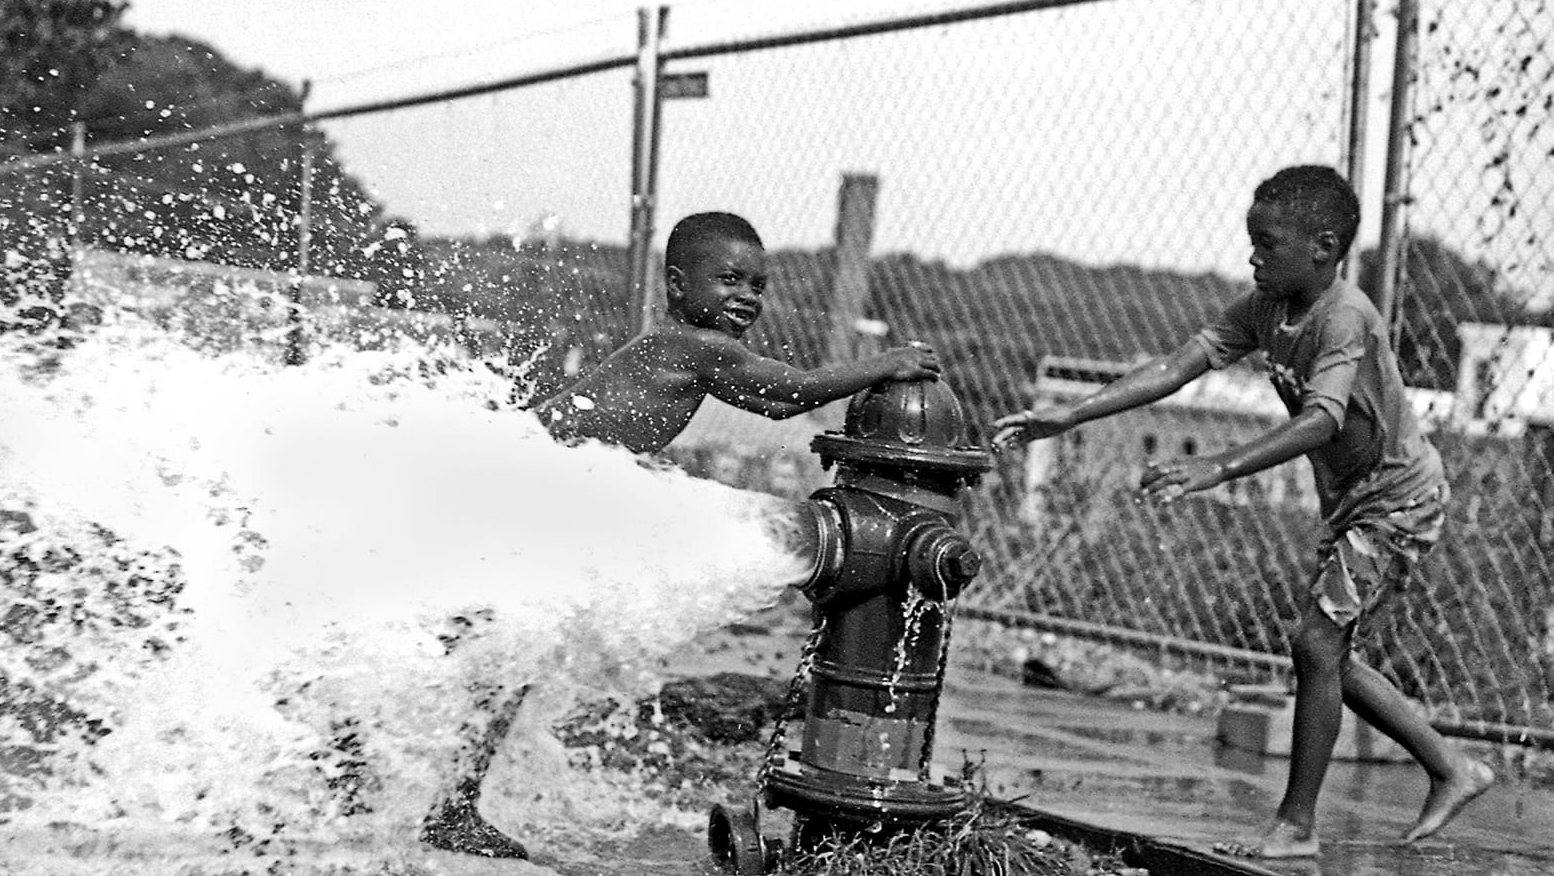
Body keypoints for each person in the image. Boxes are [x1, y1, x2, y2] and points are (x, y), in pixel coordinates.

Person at [992, 165, 1493, 860]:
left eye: (1267, 244)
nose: (1253, 257)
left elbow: (1322, 419)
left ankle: (1296, 826)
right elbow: (1174, 368)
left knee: (1316, 646)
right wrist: (1068, 415)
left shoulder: (1345, 316)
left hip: (1398, 498)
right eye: (1251, 243)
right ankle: (1452, 768)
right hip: (1352, 502)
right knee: (1330, 657)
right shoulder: (1265, 307)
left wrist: (1217, 466)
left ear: (1322, 246)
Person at [421, 209, 942, 859]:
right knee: (486, 650)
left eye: (758, 286)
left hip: (527, 490)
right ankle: (427, 792)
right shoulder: (697, 346)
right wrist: (888, 362)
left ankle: (425, 791)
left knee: (494, 653)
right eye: (729, 280)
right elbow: (788, 396)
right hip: (526, 494)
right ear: (676, 285)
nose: (746, 298)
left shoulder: (680, 345)